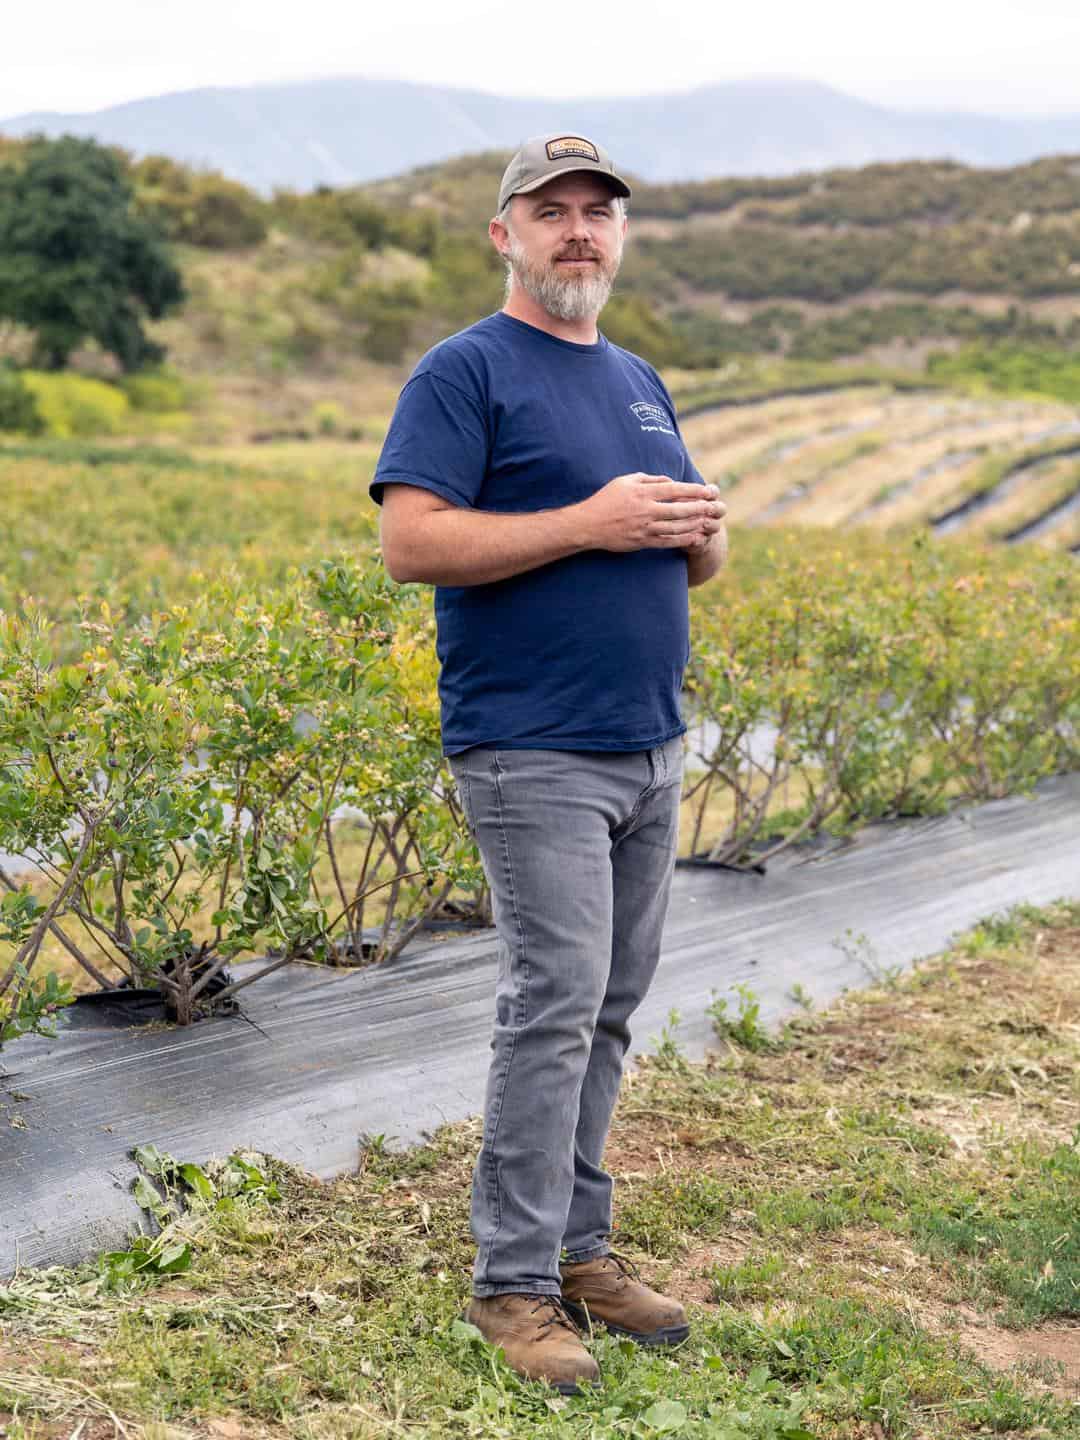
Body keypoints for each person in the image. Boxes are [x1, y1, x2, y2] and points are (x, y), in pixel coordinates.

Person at [368, 131, 728, 1393]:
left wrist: (694, 533)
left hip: (646, 742)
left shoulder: (637, 379)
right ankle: (510, 1286)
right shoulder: (463, 372)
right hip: (533, 748)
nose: (579, 230)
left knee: (611, 1009)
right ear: (504, 235)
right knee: (553, 1006)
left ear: (619, 236)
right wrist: (597, 519)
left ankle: (580, 1249)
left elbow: (683, 546)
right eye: (552, 210)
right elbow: (412, 544)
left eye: (599, 212)